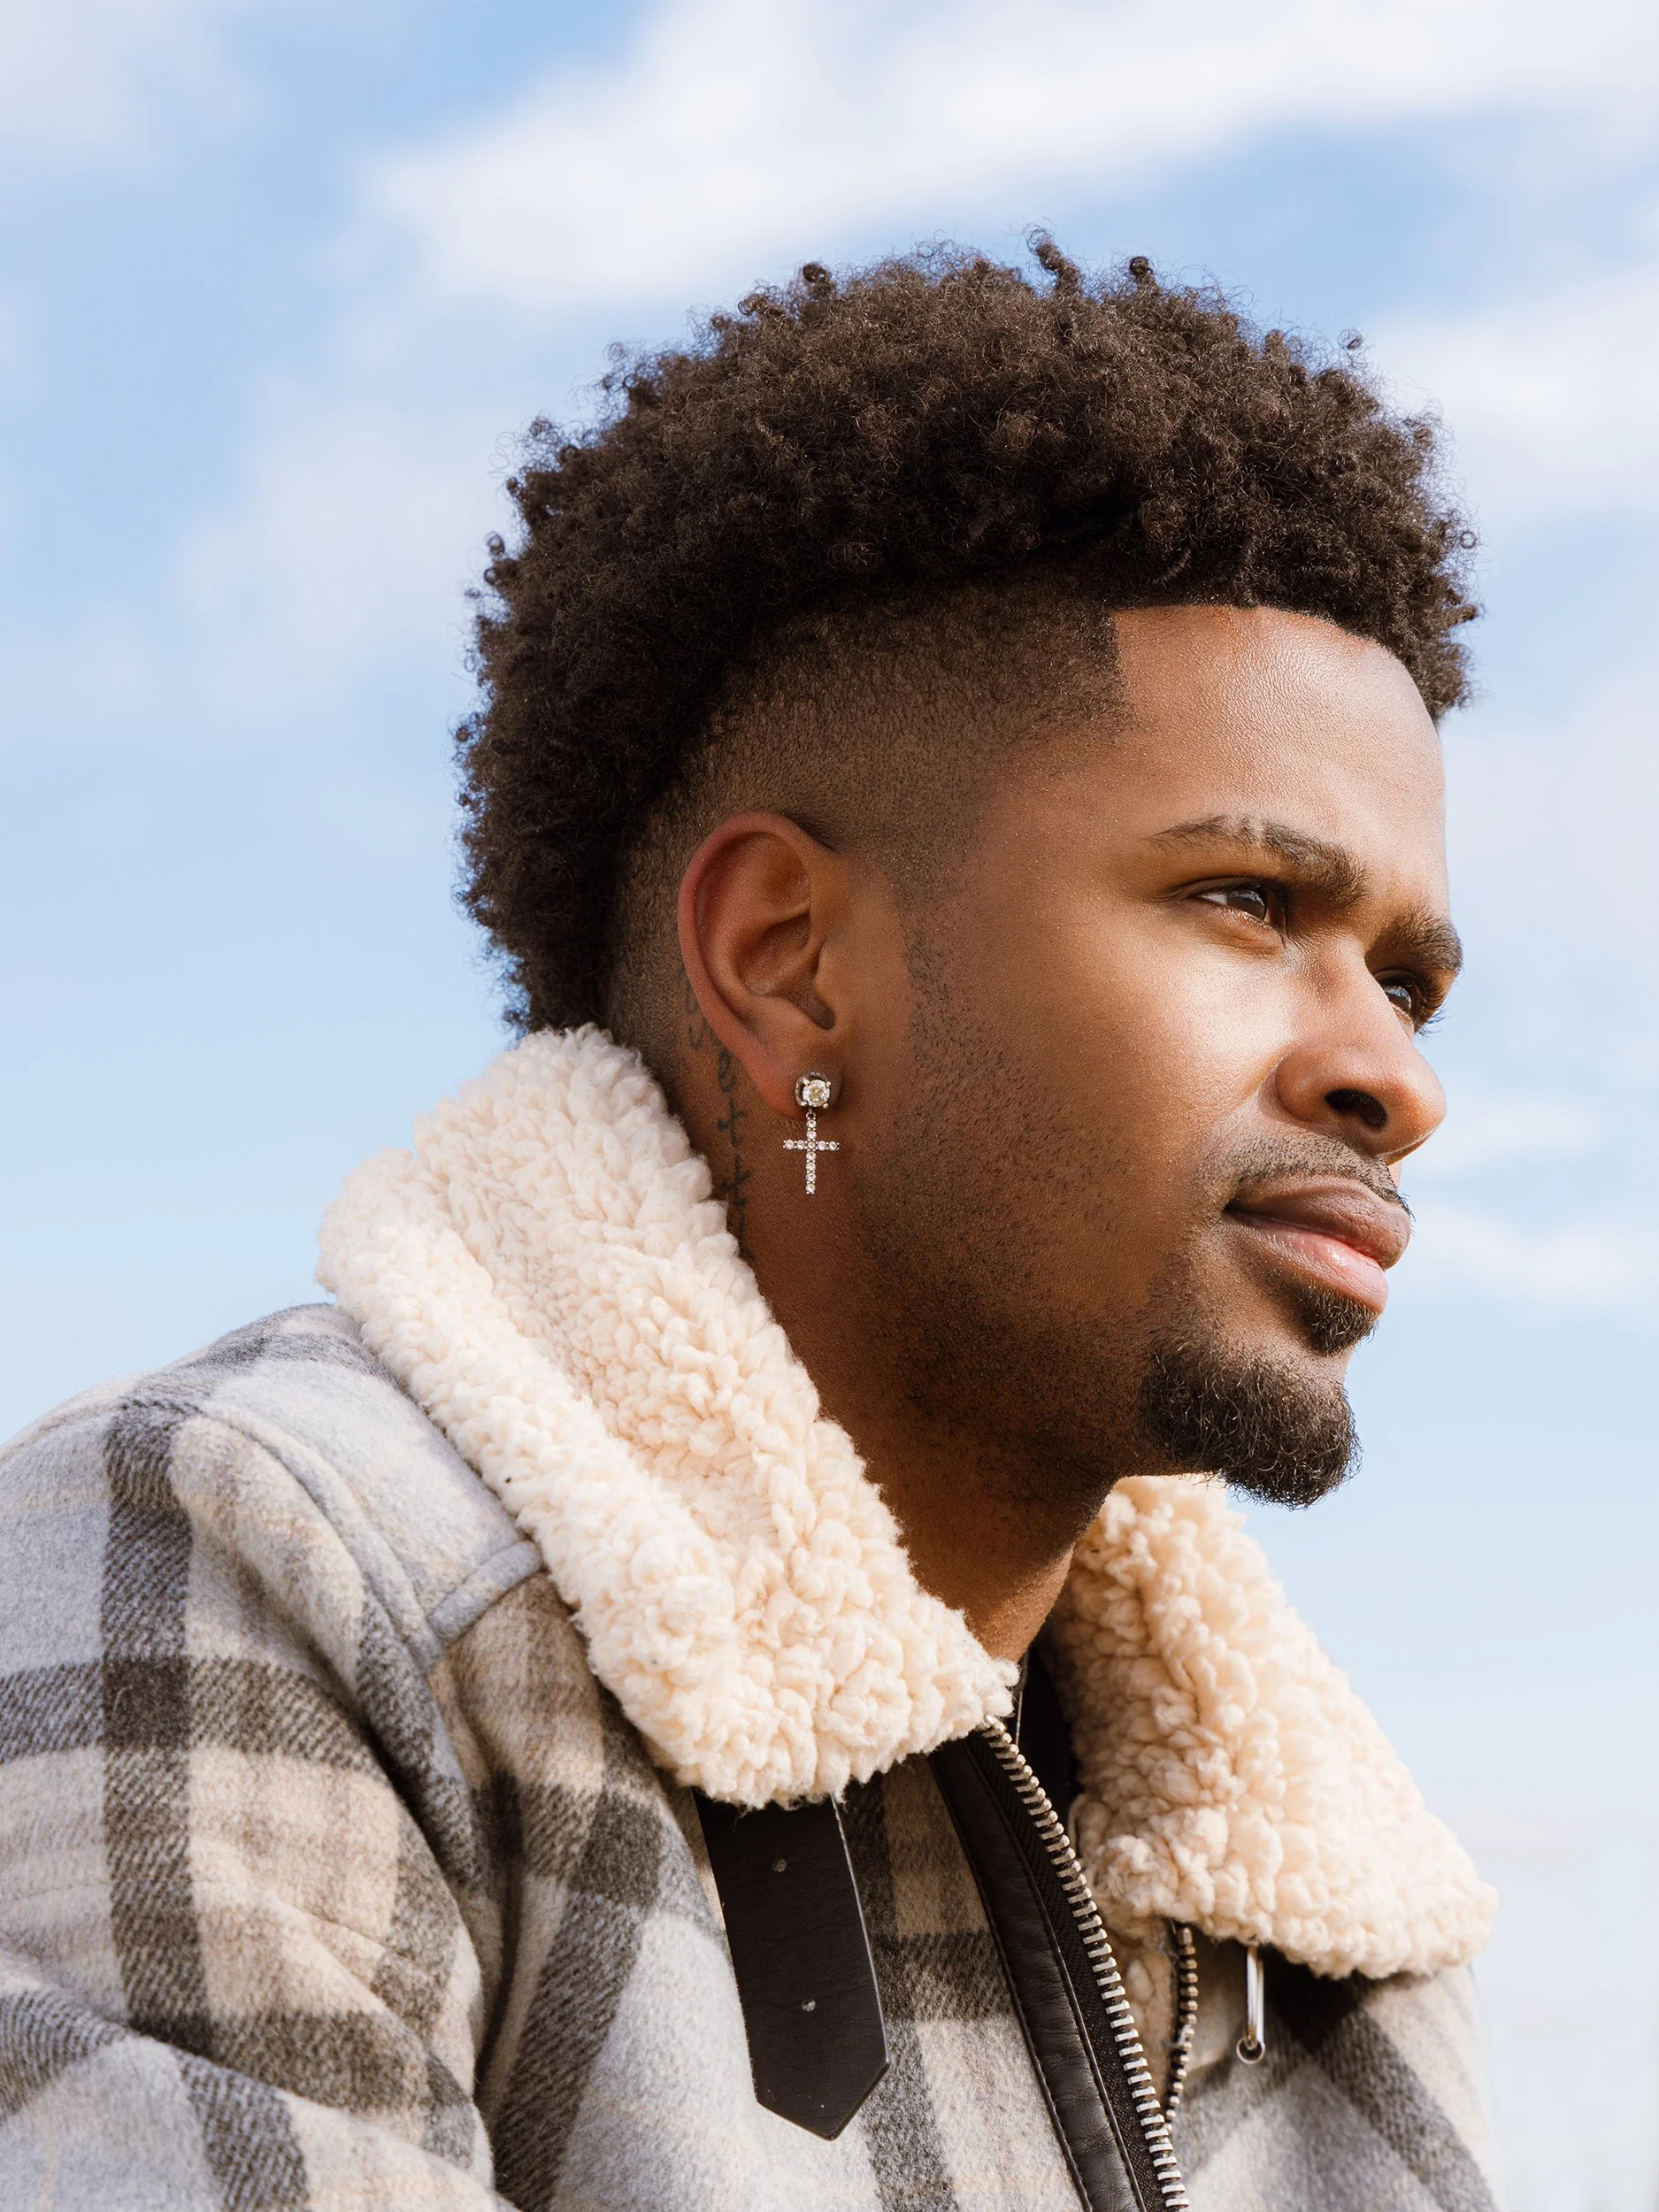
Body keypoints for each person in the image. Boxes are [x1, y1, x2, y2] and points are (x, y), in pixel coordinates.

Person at [0, 242, 1500, 2211]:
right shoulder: (243, 1553)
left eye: (1408, 981)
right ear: (790, 957)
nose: (1392, 1076)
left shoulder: (1327, 1901)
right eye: (1244, 902)